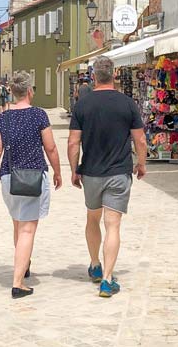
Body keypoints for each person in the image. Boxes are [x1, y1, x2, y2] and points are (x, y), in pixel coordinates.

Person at [68, 56, 148, 298]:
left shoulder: (82, 104)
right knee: (113, 225)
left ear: (93, 77)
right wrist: (141, 164)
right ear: (114, 75)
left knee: (93, 219)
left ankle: (94, 264)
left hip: (91, 172)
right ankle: (107, 279)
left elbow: (73, 142)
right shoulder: (127, 103)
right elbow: (140, 139)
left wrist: (74, 169)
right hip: (118, 172)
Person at [0, 71, 63, 299]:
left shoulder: (3, 118)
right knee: (27, 228)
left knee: (18, 223)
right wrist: (58, 172)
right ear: (29, 91)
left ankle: (23, 264)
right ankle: (18, 283)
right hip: (32, 177)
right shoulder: (38, 115)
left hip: (8, 177)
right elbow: (51, 148)